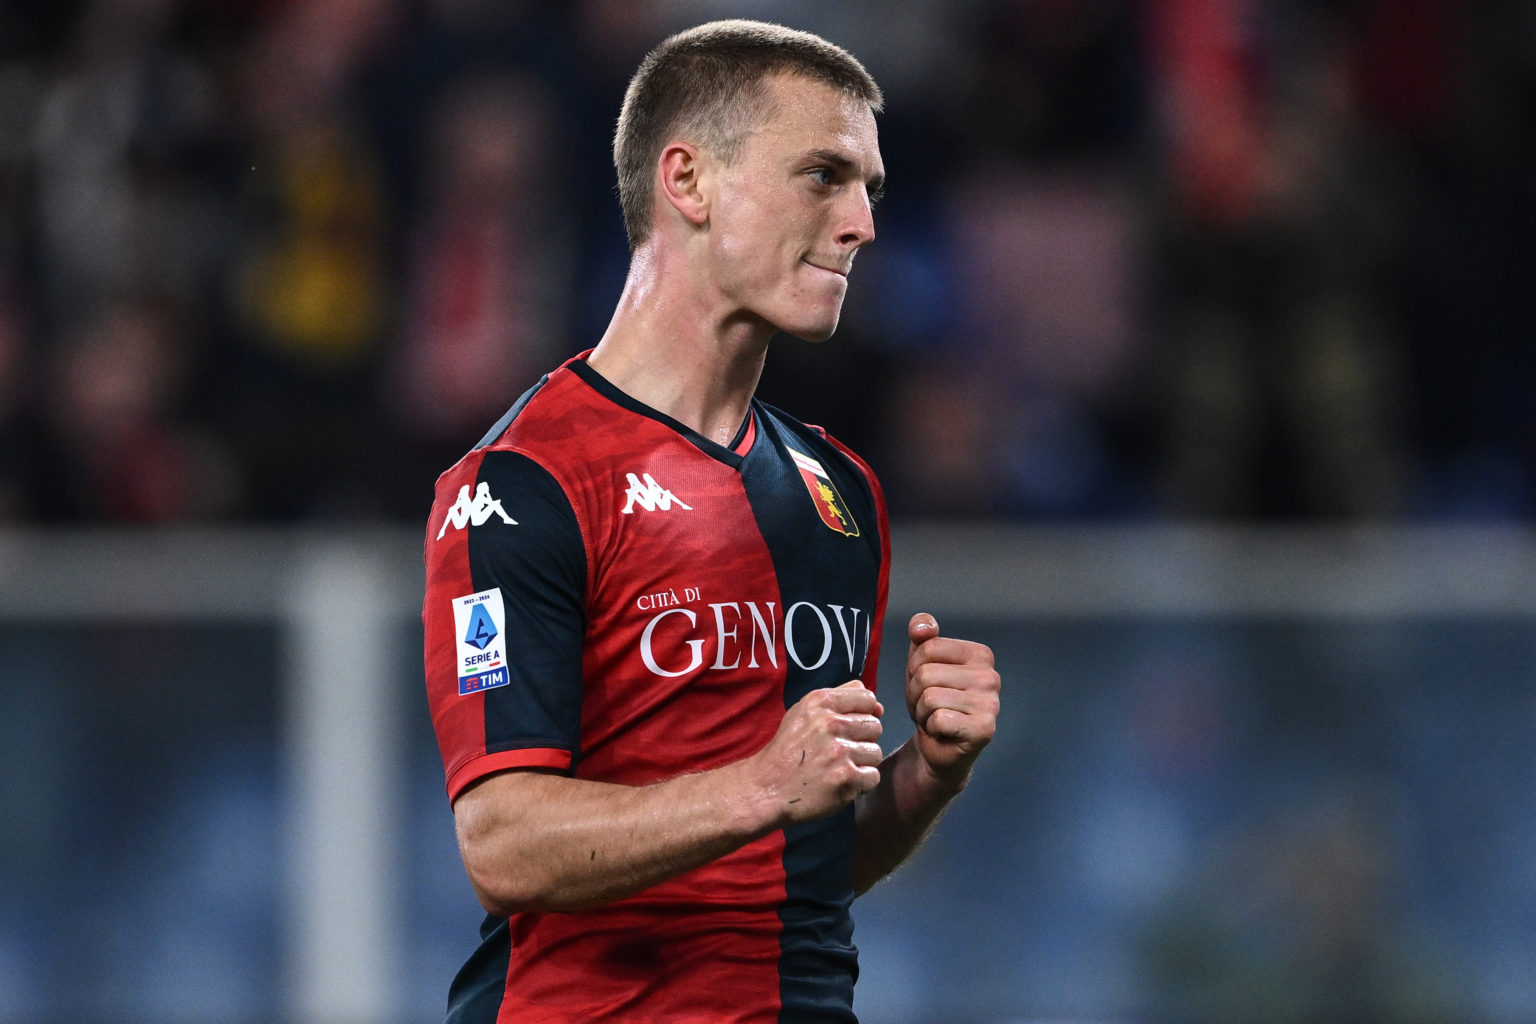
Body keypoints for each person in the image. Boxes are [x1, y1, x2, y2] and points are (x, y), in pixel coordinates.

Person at [422, 19, 1001, 1023]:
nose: (862, 222)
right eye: (822, 176)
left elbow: (796, 870)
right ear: (687, 182)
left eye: (868, 187)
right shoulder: (522, 480)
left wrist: (923, 777)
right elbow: (502, 842)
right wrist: (762, 784)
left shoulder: (839, 490)